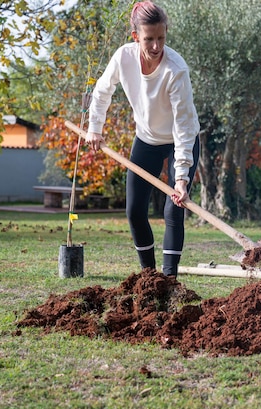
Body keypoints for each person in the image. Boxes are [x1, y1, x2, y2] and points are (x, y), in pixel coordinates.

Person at [85, 1, 200, 277]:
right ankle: (149, 278)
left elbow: (183, 127)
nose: (156, 46)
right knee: (135, 211)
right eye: (149, 39)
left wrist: (181, 179)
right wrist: (94, 128)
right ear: (136, 36)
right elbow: (102, 92)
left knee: (173, 209)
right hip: (146, 140)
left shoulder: (176, 70)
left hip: (178, 142)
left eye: (161, 38)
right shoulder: (123, 57)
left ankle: (169, 279)